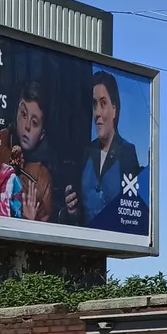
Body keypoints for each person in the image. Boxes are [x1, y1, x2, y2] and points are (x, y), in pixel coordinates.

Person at [64, 71, 141, 226]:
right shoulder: (86, 153)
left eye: (103, 103)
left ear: (114, 109)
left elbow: (134, 214)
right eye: (94, 104)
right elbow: (79, 216)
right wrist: (72, 212)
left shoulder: (127, 152)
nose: (97, 113)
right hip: (86, 245)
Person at [0, 81, 57, 222]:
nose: (27, 126)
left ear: (42, 134)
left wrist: (30, 222)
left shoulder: (43, 177)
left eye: (35, 122)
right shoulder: (3, 141)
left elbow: (45, 235)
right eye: (24, 114)